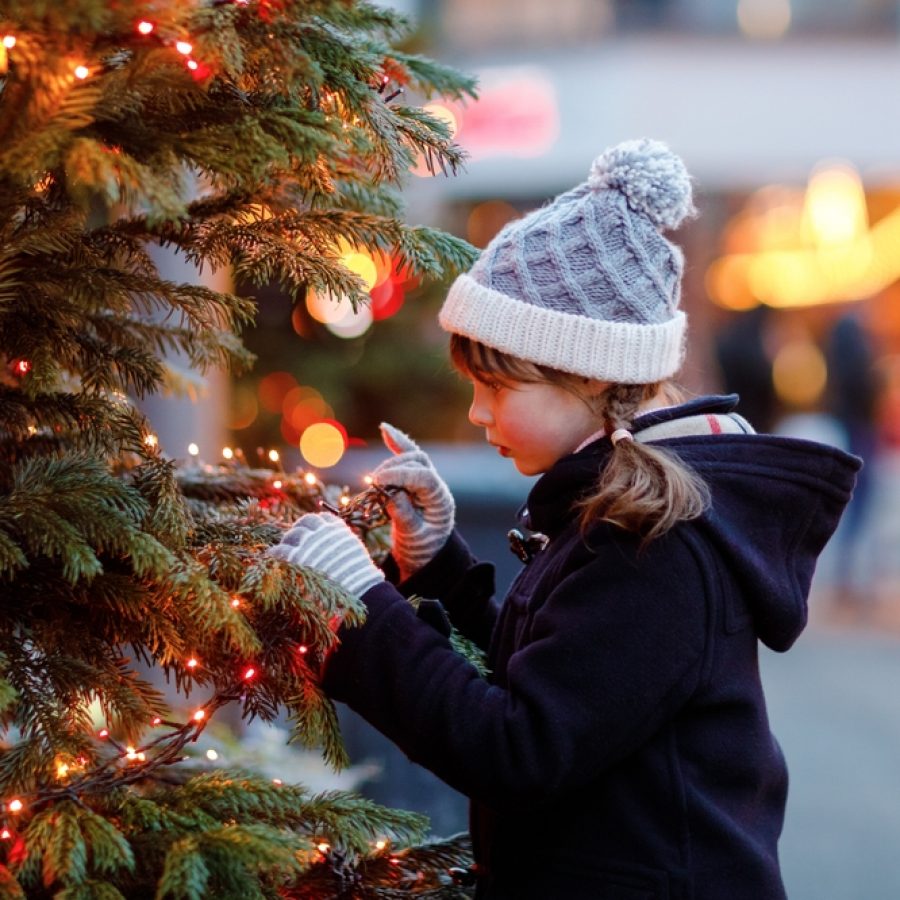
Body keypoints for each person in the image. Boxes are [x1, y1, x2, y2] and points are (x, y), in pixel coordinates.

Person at [268, 140, 861, 899]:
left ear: (585, 372)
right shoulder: (617, 506)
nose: (478, 412)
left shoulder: (660, 543)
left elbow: (519, 749)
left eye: (497, 386)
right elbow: (556, 681)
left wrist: (363, 607)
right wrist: (436, 568)